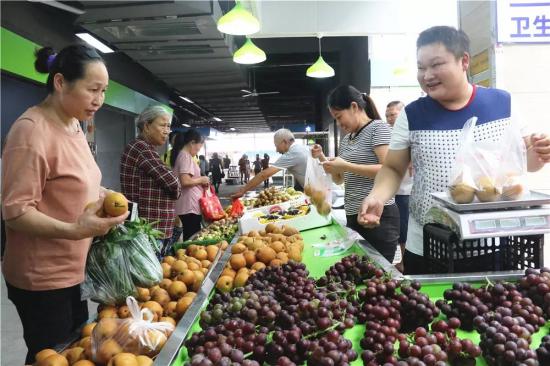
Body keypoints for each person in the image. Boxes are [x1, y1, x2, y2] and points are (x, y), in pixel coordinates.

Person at [358, 26, 550, 275]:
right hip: (429, 244)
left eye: (436, 65)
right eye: (421, 67)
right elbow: (394, 168)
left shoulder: (502, 104)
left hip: (493, 243)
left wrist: (541, 152)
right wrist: (377, 197)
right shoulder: (413, 114)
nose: (427, 75)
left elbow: (525, 163)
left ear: (464, 62)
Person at [1, 44, 128, 364]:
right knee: (51, 356)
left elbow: (76, 182)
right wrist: (75, 230)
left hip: (74, 270)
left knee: (74, 349)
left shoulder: (74, 125)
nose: (99, 99)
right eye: (92, 89)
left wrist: (105, 196)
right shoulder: (31, 132)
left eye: (104, 91)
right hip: (41, 278)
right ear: (60, 83)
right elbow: (15, 211)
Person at [311, 86, 400, 262]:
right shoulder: (346, 140)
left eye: (339, 117)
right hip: (353, 214)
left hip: (378, 214)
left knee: (379, 275)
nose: (339, 123)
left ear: (354, 107)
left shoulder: (378, 128)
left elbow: (388, 170)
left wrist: (347, 165)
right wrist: (324, 159)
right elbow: (340, 179)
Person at [120, 105, 181, 256]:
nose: (167, 131)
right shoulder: (142, 149)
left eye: (168, 126)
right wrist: (176, 188)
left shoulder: (145, 148)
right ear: (147, 126)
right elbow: (173, 184)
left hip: (151, 229)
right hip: (149, 230)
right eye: (162, 125)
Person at [232, 129, 309, 198]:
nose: (276, 150)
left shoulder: (293, 153)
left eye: (276, 146)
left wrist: (243, 190)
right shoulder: (303, 148)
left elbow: (264, 175)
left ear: (284, 142)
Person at [386, 100, 411, 272]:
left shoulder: (409, 132)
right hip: (393, 191)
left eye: (393, 114)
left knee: (405, 231)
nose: (389, 118)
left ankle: (404, 264)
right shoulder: (389, 134)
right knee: (399, 231)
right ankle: (401, 262)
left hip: (406, 191)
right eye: (387, 115)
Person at [171, 130, 210, 240]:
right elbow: (185, 181)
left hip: (188, 205)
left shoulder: (182, 155)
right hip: (189, 206)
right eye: (198, 149)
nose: (197, 152)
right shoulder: (185, 156)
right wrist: (202, 179)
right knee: (192, 237)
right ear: (192, 143)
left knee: (190, 234)